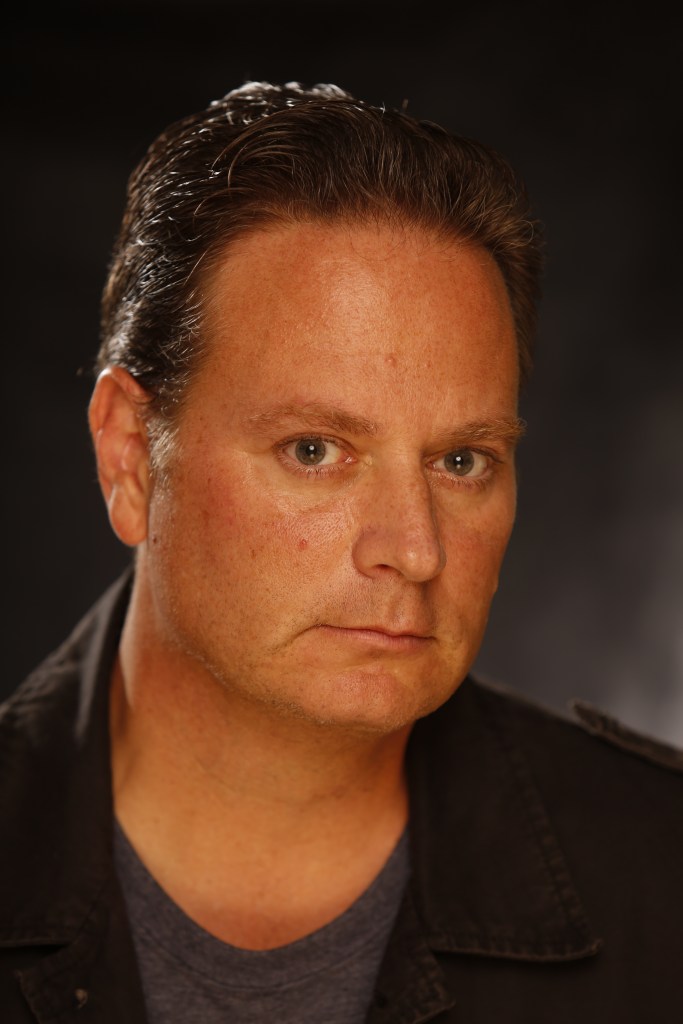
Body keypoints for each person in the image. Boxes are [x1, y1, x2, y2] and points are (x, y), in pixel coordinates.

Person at [1, 82, 681, 1024]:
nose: (414, 550)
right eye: (315, 450)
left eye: (460, 460)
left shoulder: (663, 878)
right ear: (130, 459)